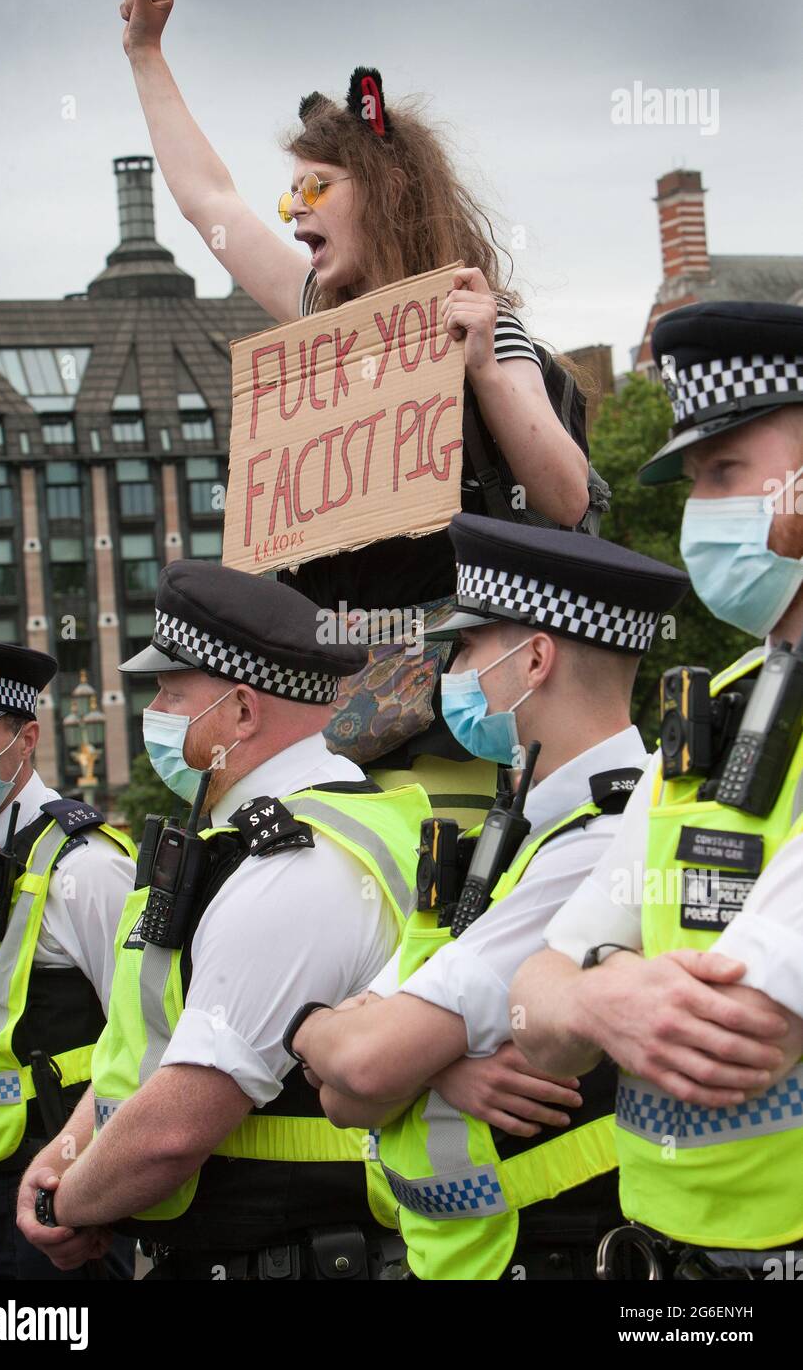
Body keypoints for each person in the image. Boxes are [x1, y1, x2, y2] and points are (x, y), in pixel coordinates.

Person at [118, 0, 596, 827]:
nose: (290, 210)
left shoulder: (485, 327)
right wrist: (146, 57)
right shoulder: (321, 321)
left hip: (450, 723)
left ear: (387, 190)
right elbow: (212, 205)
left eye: (315, 188)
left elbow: (566, 498)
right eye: (289, 192)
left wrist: (482, 362)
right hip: (338, 713)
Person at [286, 514, 690, 1280]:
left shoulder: (602, 839)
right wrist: (428, 1065)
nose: (452, 673)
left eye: (468, 648)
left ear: (535, 658)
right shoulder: (517, 834)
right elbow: (344, 1098)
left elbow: (366, 1068)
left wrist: (349, 1041)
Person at [16, 561, 431, 1280]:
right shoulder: (251, 844)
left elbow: (176, 1129)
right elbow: (148, 1045)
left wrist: (65, 1206)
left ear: (242, 712)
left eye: (173, 692)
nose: (158, 712)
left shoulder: (295, 866)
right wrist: (70, 1152)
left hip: (292, 1256)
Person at [510, 301, 803, 1279]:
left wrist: (596, 992)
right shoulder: (713, 711)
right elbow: (533, 1006)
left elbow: (742, 1022)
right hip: (669, 1263)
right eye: (692, 484)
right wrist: (599, 1001)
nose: (700, 511)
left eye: (724, 471)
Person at [0, 639, 137, 1280]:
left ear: (26, 738)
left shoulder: (89, 866)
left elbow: (143, 1035)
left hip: (63, 1177)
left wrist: (94, 1181)